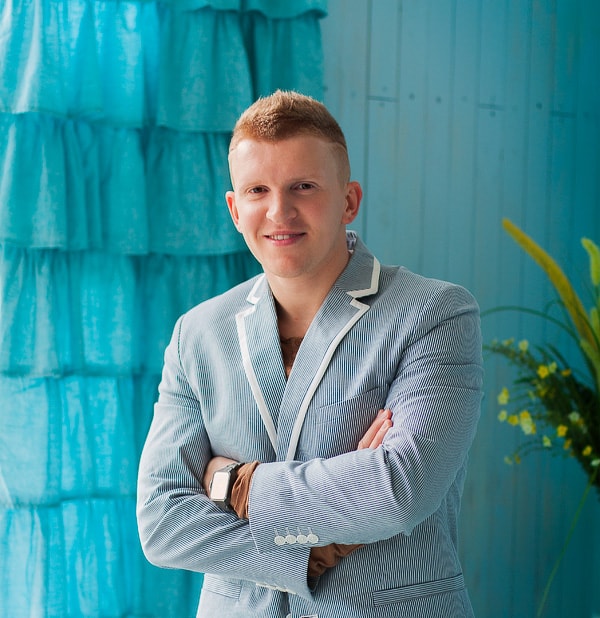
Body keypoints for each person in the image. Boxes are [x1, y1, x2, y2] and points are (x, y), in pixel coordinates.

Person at [136, 90, 484, 618]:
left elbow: (399, 489)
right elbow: (162, 521)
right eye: (257, 190)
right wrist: (313, 552)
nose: (280, 211)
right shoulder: (197, 333)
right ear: (234, 209)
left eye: (303, 186)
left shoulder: (435, 312)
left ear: (349, 200)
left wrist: (237, 484)